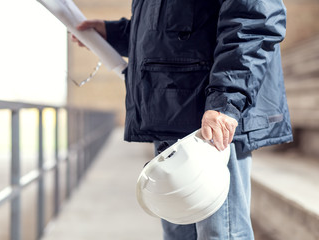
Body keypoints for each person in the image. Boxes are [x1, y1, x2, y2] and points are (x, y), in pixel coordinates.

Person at [72, 0, 293, 239]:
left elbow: (253, 19)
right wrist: (113, 33)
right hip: (171, 112)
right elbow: (170, 27)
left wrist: (226, 101)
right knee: (179, 234)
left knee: (220, 234)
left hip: (211, 119)